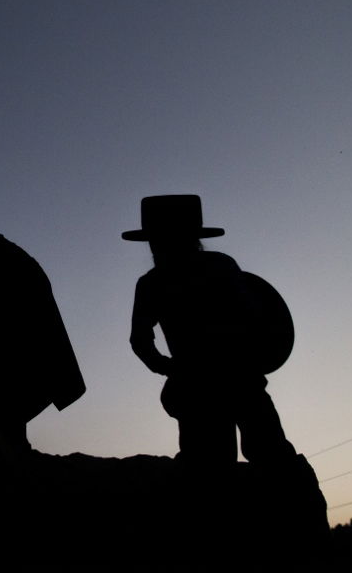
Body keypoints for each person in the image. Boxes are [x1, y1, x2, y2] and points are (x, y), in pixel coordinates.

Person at [123, 195, 296, 466]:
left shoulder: (152, 283)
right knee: (269, 456)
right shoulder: (221, 265)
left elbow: (140, 340)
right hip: (238, 378)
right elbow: (254, 315)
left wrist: (169, 367)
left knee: (211, 465)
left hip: (202, 387)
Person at [0, 225, 86, 450]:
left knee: (13, 371)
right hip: (18, 283)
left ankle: (11, 442)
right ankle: (12, 438)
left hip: (16, 288)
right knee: (13, 373)